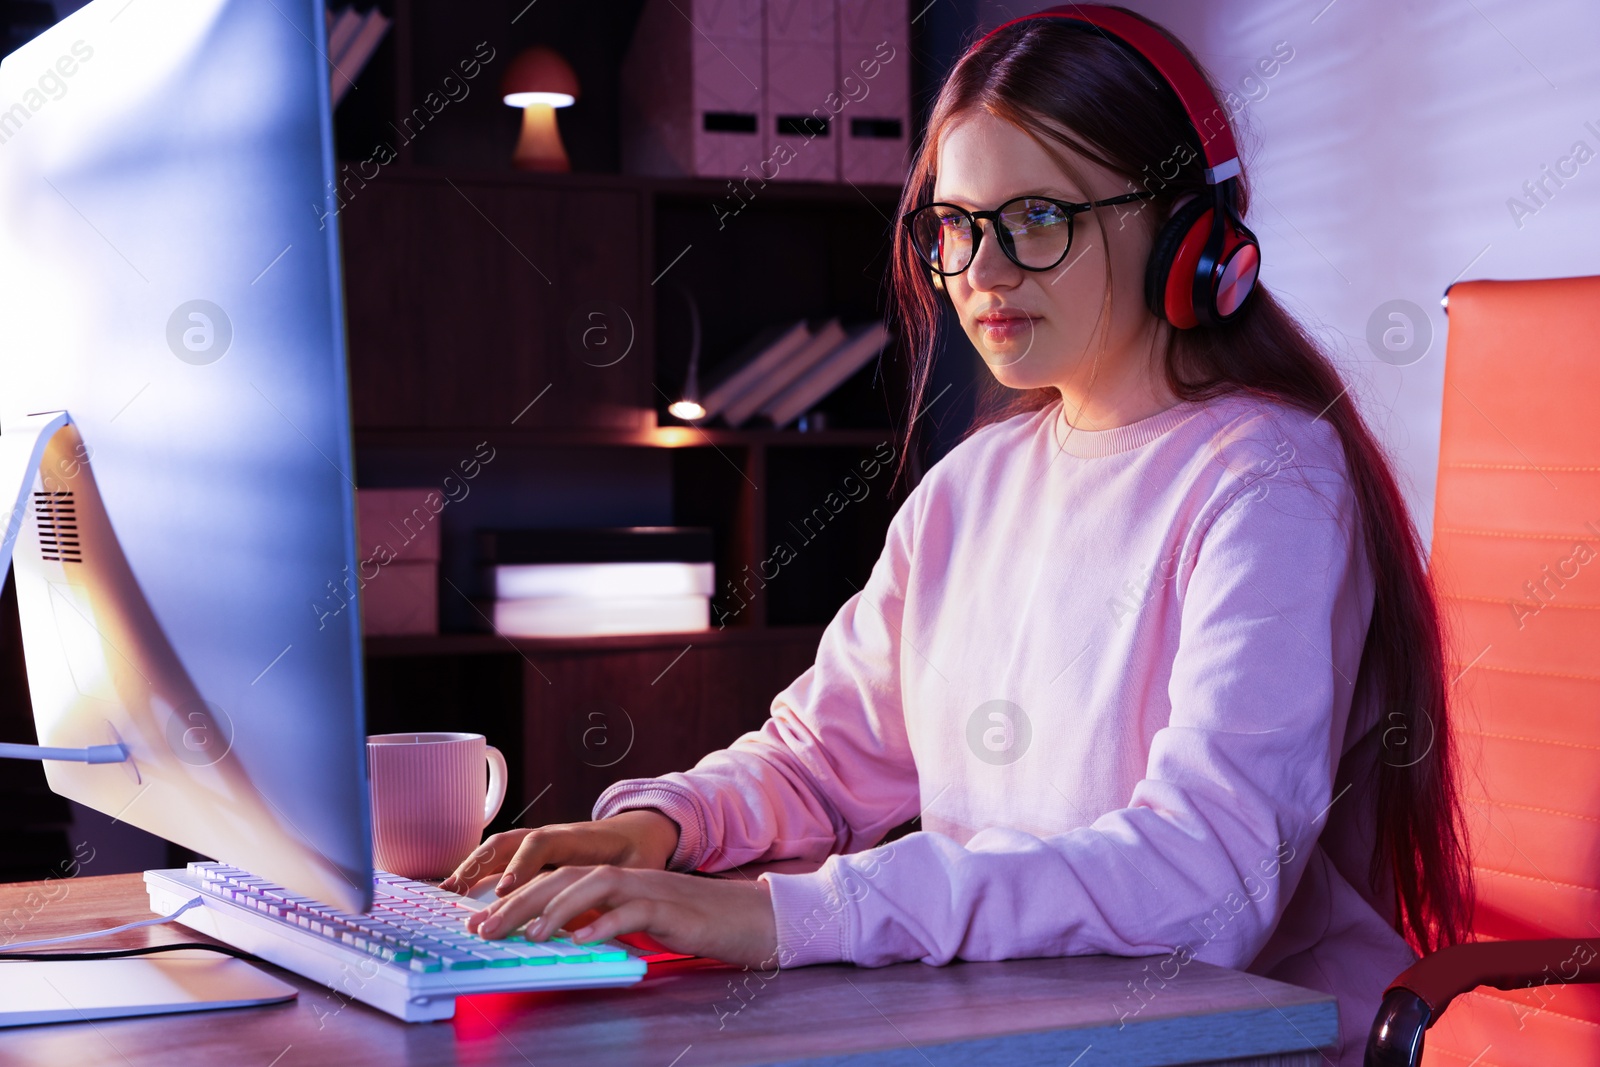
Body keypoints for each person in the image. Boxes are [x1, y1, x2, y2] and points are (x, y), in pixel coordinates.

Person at [444, 7, 1472, 1062]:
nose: (980, 269)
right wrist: (659, 825)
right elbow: (823, 758)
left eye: (1034, 219)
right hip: (1024, 1027)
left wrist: (784, 913)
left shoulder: (1268, 479)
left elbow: (1208, 880)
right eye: (951, 225)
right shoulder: (972, 483)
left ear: (1183, 232)